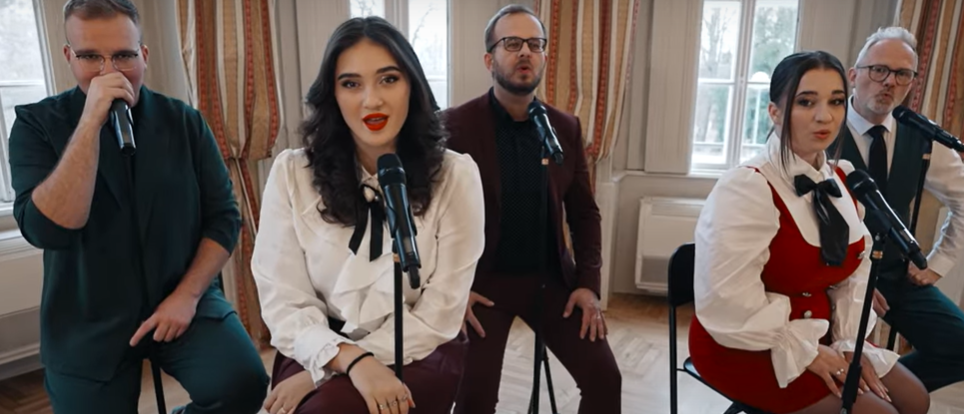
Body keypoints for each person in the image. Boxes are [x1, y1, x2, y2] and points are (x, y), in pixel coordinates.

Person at [8, 1, 269, 413]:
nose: (108, 71)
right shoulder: (35, 124)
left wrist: (187, 295)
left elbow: (223, 217)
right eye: (90, 57)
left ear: (144, 55)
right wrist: (90, 124)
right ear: (68, 57)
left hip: (181, 296)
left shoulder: (185, 122)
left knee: (244, 383)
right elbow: (48, 229)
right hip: (85, 318)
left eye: (123, 56)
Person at [251, 16, 485, 414]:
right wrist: (347, 360)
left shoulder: (456, 176)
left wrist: (323, 374)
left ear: (412, 86)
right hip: (313, 341)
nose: (371, 100)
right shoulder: (292, 174)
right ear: (332, 95)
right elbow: (283, 301)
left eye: (388, 79)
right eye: (351, 84)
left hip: (419, 347)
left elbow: (440, 314)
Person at [689, 50, 930, 414]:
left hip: (821, 329)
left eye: (836, 101)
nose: (824, 116)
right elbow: (726, 301)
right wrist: (809, 352)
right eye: (806, 102)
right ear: (775, 112)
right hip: (747, 341)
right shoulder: (746, 188)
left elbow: (855, 271)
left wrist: (848, 342)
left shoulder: (843, 177)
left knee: (916, 400)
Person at [443, 5, 621, 414]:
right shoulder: (454, 127)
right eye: (511, 43)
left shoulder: (565, 128)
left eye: (535, 44)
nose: (525, 52)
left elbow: (584, 214)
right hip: (482, 286)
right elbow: (431, 218)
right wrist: (450, 290)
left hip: (553, 281)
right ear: (489, 59)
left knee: (605, 379)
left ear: (543, 57)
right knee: (474, 400)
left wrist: (588, 284)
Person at [831, 26, 964, 393]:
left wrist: (938, 263)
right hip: (830, 275)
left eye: (902, 74)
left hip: (893, 272)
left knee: (959, 346)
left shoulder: (921, 136)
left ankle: (883, 396)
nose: (889, 82)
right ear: (853, 75)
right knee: (840, 350)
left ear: (911, 84)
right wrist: (845, 278)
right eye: (879, 70)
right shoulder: (823, 127)